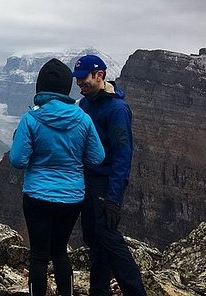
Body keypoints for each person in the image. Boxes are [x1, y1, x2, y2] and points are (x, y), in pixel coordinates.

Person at [10, 58, 105, 296]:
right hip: (72, 197)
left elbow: (18, 160)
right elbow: (97, 157)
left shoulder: (31, 119)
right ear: (66, 88)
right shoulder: (83, 118)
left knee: (39, 256)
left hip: (37, 196)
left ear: (40, 88)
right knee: (60, 251)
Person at [72, 54, 147, 296]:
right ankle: (99, 290)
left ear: (99, 75)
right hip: (87, 183)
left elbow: (122, 154)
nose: (79, 83)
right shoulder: (85, 104)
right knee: (94, 239)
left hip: (105, 185)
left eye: (83, 78)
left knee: (110, 240)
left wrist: (114, 198)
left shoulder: (117, 109)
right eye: (77, 79)